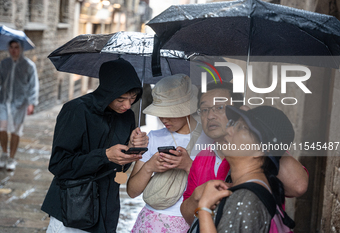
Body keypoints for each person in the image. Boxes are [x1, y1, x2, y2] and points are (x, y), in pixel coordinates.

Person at [181, 82, 309, 231]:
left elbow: (298, 185)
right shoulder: (202, 156)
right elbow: (188, 215)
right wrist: (199, 197)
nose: (210, 116)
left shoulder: (246, 199)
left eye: (219, 107)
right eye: (204, 109)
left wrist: (204, 209)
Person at [41, 59, 149, 233]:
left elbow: (119, 170)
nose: (127, 105)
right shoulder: (76, 110)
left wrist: (130, 150)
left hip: (107, 209)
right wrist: (104, 155)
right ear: (107, 92)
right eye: (121, 98)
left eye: (133, 98)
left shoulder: (127, 116)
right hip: (73, 206)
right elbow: (59, 164)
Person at [127, 74, 212, 233]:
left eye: (170, 112)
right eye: (160, 111)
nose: (163, 118)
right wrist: (149, 167)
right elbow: (132, 192)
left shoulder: (210, 140)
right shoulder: (153, 137)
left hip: (189, 222)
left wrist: (189, 166)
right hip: (149, 223)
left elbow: (216, 190)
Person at [194, 105, 296, 232]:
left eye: (242, 128)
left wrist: (204, 208)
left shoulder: (245, 199)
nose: (229, 130)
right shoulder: (255, 190)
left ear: (261, 149)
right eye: (233, 124)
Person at [0, 39, 39, 171]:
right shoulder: (4, 63)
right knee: (2, 128)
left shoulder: (29, 65)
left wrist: (31, 103)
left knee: (16, 131)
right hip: (4, 101)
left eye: (16, 47)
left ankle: (11, 158)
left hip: (20, 103)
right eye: (11, 47)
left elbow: (33, 85)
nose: (13, 50)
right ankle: (4, 153)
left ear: (21, 49)